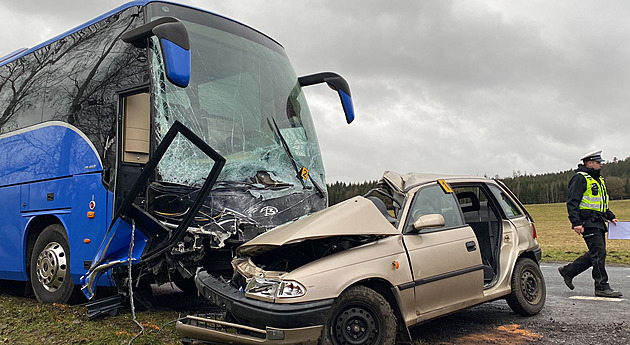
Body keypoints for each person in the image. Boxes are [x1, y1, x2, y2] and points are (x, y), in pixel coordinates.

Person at [558, 150, 622, 298]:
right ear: (590, 163)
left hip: (598, 221)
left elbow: (600, 203)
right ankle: (601, 286)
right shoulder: (580, 178)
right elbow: (572, 202)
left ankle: (568, 271)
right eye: (598, 162)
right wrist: (576, 223)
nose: (601, 165)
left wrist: (611, 216)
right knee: (598, 253)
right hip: (587, 222)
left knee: (596, 253)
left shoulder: (598, 179)